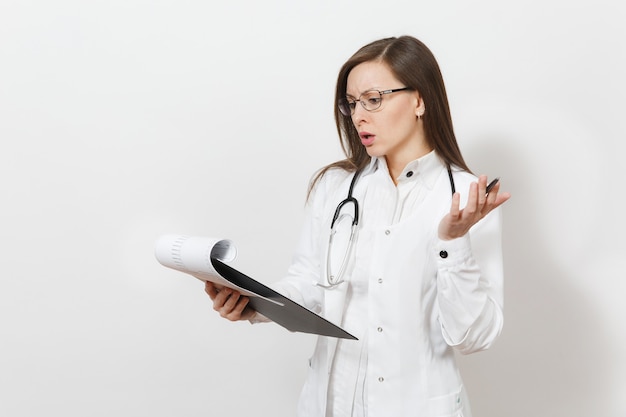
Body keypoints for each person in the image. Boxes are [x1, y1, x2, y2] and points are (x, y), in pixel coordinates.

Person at [205, 35, 510, 417]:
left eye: (373, 99)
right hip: (331, 404)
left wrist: (452, 242)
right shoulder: (335, 187)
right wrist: (253, 305)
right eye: (352, 103)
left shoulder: (467, 198)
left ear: (419, 100)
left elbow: (474, 336)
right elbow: (310, 285)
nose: (360, 116)